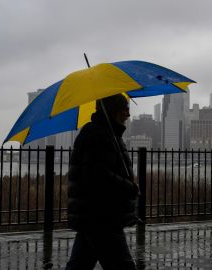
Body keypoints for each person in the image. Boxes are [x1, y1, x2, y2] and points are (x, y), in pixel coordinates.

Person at [65, 93, 139, 270]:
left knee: (80, 264)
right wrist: (129, 187)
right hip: (103, 216)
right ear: (113, 111)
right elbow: (98, 177)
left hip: (95, 215)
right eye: (125, 109)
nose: (128, 114)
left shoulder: (107, 133)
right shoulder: (98, 135)